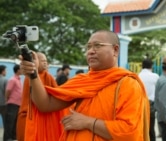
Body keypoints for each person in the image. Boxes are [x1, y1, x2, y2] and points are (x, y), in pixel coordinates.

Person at [19, 30, 150, 141]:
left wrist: (88, 122)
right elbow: (45, 104)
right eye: (88, 47)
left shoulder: (127, 84)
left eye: (97, 46)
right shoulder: (82, 81)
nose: (91, 51)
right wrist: (33, 74)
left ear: (115, 50)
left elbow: (129, 131)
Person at [16, 52, 65, 141]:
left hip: (44, 113)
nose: (45, 63)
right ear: (35, 62)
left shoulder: (48, 76)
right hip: (29, 114)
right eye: (42, 61)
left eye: (46, 61)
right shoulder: (31, 78)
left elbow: (58, 94)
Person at [138, 59, 159, 141]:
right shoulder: (155, 76)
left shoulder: (138, 76)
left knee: (141, 128)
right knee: (151, 128)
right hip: (151, 105)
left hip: (140, 103)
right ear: (152, 66)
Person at [4, 64, 22, 141]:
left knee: (15, 122)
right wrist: (7, 99)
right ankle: (7, 138)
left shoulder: (19, 80)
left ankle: (13, 138)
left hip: (18, 104)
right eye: (21, 69)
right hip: (12, 104)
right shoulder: (12, 79)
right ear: (18, 70)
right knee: (10, 122)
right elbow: (8, 90)